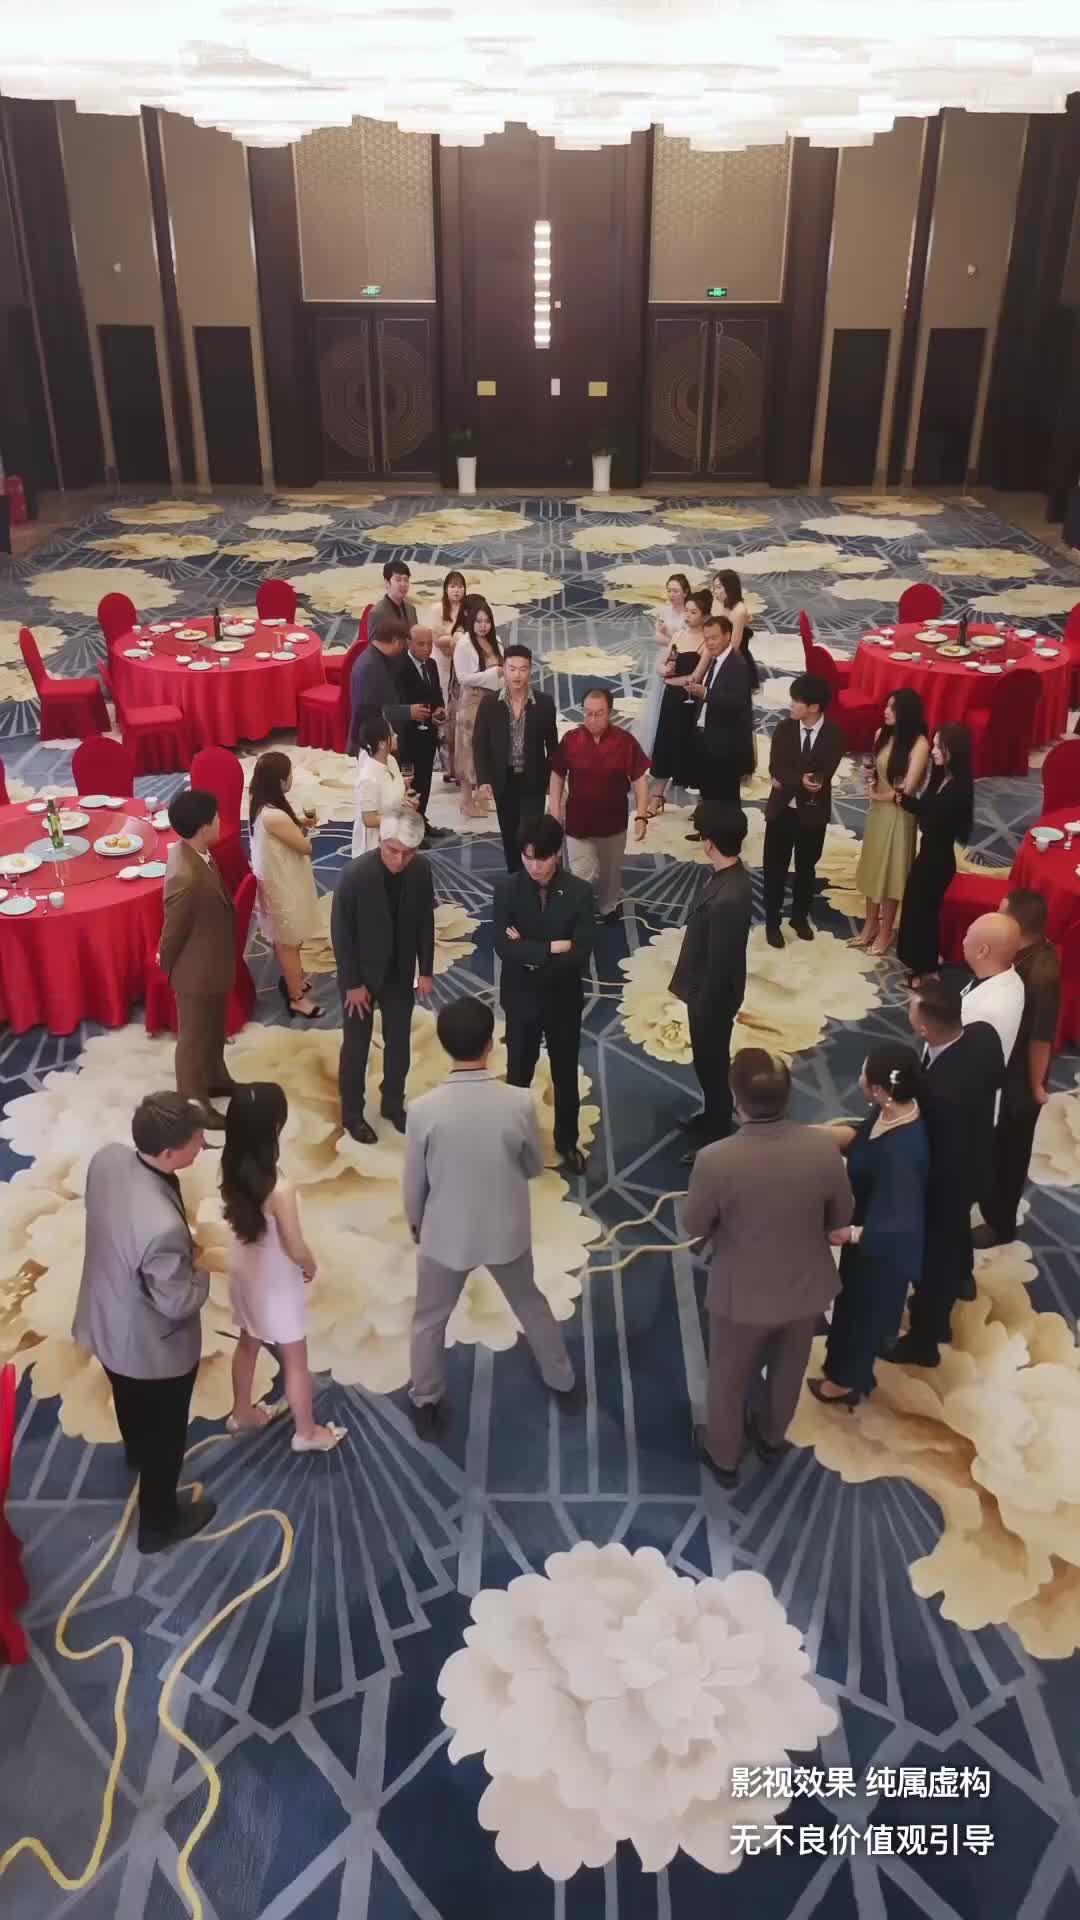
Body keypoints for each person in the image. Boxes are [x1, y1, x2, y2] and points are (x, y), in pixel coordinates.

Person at [403, 996, 576, 1439]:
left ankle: (426, 1399)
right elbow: (534, 1164)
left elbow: (414, 1182)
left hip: (446, 1235)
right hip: (506, 1230)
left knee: (429, 1320)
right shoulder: (519, 1103)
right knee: (531, 1303)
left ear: (444, 1045)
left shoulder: (422, 1111)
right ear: (491, 1044)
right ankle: (562, 1379)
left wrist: (417, 1222)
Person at [682, 1049, 853, 1486]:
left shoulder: (715, 1159)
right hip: (806, 1287)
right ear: (788, 1096)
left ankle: (723, 1456)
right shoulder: (823, 1147)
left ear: (736, 1099)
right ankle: (772, 1437)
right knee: (788, 1370)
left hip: (742, 1295)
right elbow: (841, 1217)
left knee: (728, 1378)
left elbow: (694, 1225)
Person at [72, 1092, 215, 1553]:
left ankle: (135, 1449)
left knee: (127, 1399)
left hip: (104, 1313)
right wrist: (203, 1270)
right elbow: (177, 1302)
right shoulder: (162, 1229)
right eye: (196, 1140)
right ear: (170, 1152)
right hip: (150, 1347)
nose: (203, 1144)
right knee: (166, 1437)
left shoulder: (108, 1159)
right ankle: (158, 1524)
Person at [222, 1081, 345, 1453]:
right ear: (275, 1127)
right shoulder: (279, 1189)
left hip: (243, 1267)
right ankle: (306, 1432)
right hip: (275, 1280)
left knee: (248, 1340)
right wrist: (310, 1264)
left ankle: (241, 1412)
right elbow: (293, 1245)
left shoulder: (231, 1164)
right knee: (295, 1359)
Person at [889, 977, 1004, 1366]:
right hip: (979, 1161)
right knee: (956, 1229)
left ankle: (926, 1338)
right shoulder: (984, 1035)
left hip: (946, 1181)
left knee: (932, 1259)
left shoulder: (936, 1093)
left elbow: (927, 1145)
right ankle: (963, 1278)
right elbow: (995, 1078)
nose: (907, 1007)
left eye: (912, 1006)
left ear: (924, 1028)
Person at [809, 1045, 928, 1409]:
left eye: (864, 1072)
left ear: (878, 1089)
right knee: (852, 1303)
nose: (859, 1076)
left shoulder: (902, 1154)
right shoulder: (892, 1108)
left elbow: (898, 1225)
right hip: (868, 1229)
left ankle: (845, 1382)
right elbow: (864, 1140)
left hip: (879, 1250)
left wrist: (849, 1234)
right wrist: (816, 1135)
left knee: (862, 1312)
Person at [494, 814, 595, 1176]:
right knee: (518, 1074)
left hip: (562, 1000)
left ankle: (567, 1142)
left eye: (542, 858)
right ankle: (516, 1140)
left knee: (565, 1075)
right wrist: (552, 947)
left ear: (557, 854)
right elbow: (503, 947)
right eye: (527, 857)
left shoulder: (580, 893)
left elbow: (580, 953)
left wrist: (529, 951)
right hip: (520, 999)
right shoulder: (507, 889)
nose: (534, 866)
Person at [331, 810, 434, 1144]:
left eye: (408, 853)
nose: (399, 860)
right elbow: (341, 936)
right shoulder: (354, 876)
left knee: (399, 1045)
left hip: (399, 974)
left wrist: (426, 970)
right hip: (360, 977)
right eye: (392, 850)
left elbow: (425, 921)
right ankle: (352, 1115)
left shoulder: (421, 870)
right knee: (356, 1048)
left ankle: (392, 1104)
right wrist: (352, 985)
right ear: (380, 841)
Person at [973, 888, 1061, 1248]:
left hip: (1021, 1082)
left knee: (1010, 1154)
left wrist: (1036, 1085)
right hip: (1005, 1068)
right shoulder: (1019, 957)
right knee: (994, 1144)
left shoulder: (1040, 974)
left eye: (1001, 912)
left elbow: (1041, 1040)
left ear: (1015, 924)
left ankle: (1001, 1224)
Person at [669, 800, 752, 1156]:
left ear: (710, 842)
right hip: (705, 990)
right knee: (708, 1062)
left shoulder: (729, 897)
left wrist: (703, 1005)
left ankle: (717, 1132)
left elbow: (720, 964)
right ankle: (712, 1115)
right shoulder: (727, 879)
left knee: (712, 1064)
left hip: (711, 998)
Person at [160, 788, 237, 1130]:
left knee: (214, 1028)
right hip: (194, 972)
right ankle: (195, 1103)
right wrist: (167, 966)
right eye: (216, 817)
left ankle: (216, 1077)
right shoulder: (185, 876)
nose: (221, 821)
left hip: (213, 963)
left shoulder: (196, 852)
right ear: (205, 827)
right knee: (192, 1041)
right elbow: (173, 931)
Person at [548, 685, 649, 921]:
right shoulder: (571, 740)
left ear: (609, 712)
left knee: (610, 873)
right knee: (579, 873)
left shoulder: (625, 741)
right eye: (588, 713)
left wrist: (641, 815)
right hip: (578, 822)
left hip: (613, 823)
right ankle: (577, 913)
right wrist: (554, 811)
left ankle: (608, 907)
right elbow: (557, 775)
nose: (592, 719)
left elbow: (639, 780)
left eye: (599, 713)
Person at [763, 672, 845, 947]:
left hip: (813, 812)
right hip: (782, 810)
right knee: (774, 869)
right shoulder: (784, 729)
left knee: (806, 868)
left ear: (814, 707)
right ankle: (772, 922)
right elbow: (776, 768)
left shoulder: (833, 734)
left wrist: (789, 777)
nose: (791, 705)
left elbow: (825, 772)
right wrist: (799, 779)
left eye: (796, 701)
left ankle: (799, 918)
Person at [853, 689, 931, 957]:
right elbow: (877, 772)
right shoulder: (882, 734)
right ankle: (869, 925)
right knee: (873, 866)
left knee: (892, 874)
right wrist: (870, 776)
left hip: (899, 816)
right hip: (878, 812)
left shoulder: (920, 745)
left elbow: (906, 791)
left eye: (892, 708)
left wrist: (877, 795)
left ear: (906, 713)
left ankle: (886, 932)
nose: (885, 711)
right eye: (887, 706)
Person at [896, 723, 974, 979]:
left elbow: (933, 821)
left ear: (955, 750)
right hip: (929, 854)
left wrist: (922, 813)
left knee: (923, 913)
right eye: (934, 745)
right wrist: (908, 802)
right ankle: (920, 961)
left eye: (940, 746)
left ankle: (926, 965)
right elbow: (929, 811)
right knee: (916, 908)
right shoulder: (942, 778)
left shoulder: (958, 788)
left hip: (937, 862)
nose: (933, 751)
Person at [249, 749, 322, 1021]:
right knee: (288, 942)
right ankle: (296, 998)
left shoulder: (262, 805)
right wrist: (302, 830)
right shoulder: (274, 816)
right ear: (280, 781)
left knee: (290, 938)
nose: (292, 778)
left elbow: (283, 832)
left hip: (279, 880)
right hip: (281, 887)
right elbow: (305, 847)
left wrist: (298, 823)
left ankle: (295, 981)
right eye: (290, 774)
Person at [473, 642, 558, 870]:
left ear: (530, 670)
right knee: (510, 836)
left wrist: (555, 782)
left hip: (533, 781)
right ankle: (515, 877)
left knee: (531, 836)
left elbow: (552, 746)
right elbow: (479, 744)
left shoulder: (544, 703)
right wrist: (483, 780)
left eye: (523, 669)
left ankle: (533, 876)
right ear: (504, 669)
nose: (517, 675)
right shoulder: (489, 703)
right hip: (503, 780)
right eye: (512, 669)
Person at [646, 585, 711, 814]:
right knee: (665, 744)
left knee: (690, 747)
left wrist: (671, 680)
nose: (688, 616)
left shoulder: (706, 643)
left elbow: (696, 677)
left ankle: (703, 802)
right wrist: (664, 671)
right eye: (687, 611)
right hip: (671, 699)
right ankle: (657, 796)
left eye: (694, 612)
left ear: (704, 615)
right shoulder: (678, 635)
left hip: (690, 702)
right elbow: (660, 664)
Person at [682, 614, 755, 805]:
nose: (710, 643)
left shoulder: (737, 664)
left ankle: (721, 824)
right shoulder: (716, 659)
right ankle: (707, 820)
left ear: (727, 635)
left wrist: (705, 693)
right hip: (708, 734)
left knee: (725, 792)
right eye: (706, 638)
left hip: (725, 742)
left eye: (714, 638)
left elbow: (737, 701)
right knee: (708, 785)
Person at [450, 599, 503, 817]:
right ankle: (466, 801)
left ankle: (483, 794)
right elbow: (463, 678)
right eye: (479, 621)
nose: (483, 626)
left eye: (487, 621)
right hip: (472, 700)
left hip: (493, 700)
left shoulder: (495, 640)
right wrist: (491, 674)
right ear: (471, 622)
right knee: (469, 749)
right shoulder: (464, 644)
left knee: (489, 748)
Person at [397, 627, 448, 838]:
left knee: (425, 780)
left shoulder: (432, 664)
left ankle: (421, 821)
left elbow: (436, 694)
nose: (426, 648)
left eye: (429, 644)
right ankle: (409, 829)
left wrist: (440, 709)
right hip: (408, 736)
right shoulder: (399, 667)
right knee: (410, 784)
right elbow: (396, 704)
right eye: (421, 644)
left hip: (428, 734)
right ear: (409, 642)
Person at [960, 911, 1024, 1074]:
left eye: (967, 935)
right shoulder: (1013, 979)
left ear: (982, 951)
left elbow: (960, 1066)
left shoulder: (981, 1012)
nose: (963, 941)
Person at [635, 572, 690, 760]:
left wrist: (671, 638)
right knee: (656, 701)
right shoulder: (664, 612)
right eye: (669, 590)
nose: (671, 594)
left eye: (676, 591)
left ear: (685, 592)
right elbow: (657, 638)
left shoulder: (689, 613)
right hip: (664, 658)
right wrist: (673, 640)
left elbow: (688, 638)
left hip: (683, 660)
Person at [347, 618, 421, 756]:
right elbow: (371, 711)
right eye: (403, 644)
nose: (403, 649)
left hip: (380, 736)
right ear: (396, 642)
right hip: (372, 743)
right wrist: (408, 712)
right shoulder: (370, 667)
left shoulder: (379, 659)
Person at [351, 713, 412, 857]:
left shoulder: (391, 760)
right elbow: (370, 820)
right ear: (382, 744)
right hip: (376, 844)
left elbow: (392, 793)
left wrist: (406, 799)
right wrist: (399, 815)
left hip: (396, 834)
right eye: (392, 734)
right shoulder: (368, 778)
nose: (396, 735)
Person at [710, 568, 759, 689]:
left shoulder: (739, 611)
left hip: (734, 658)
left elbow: (734, 646)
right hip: (717, 650)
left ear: (730, 588)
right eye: (714, 587)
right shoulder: (718, 603)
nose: (714, 591)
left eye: (718, 587)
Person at [368, 558, 421, 646]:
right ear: (387, 583)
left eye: (406, 580)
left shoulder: (411, 609)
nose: (403, 584)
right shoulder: (377, 612)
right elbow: (374, 649)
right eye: (398, 580)